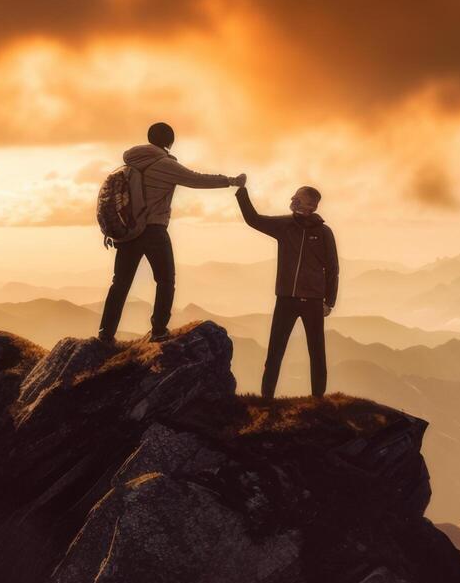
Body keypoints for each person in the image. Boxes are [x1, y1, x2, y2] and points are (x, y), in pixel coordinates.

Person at [97, 122, 244, 344]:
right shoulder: (164, 164)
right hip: (153, 231)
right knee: (165, 280)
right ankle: (159, 330)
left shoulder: (129, 164)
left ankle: (105, 334)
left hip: (128, 232)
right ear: (170, 142)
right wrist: (230, 181)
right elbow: (197, 180)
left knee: (120, 283)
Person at [236, 182, 339, 397]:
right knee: (275, 352)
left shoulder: (324, 233)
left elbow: (332, 269)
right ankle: (266, 400)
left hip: (313, 302)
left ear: (312, 205)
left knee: (317, 353)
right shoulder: (284, 225)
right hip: (285, 300)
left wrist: (329, 302)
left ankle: (318, 401)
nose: (293, 199)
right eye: (294, 196)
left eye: (298, 197)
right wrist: (241, 190)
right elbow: (253, 220)